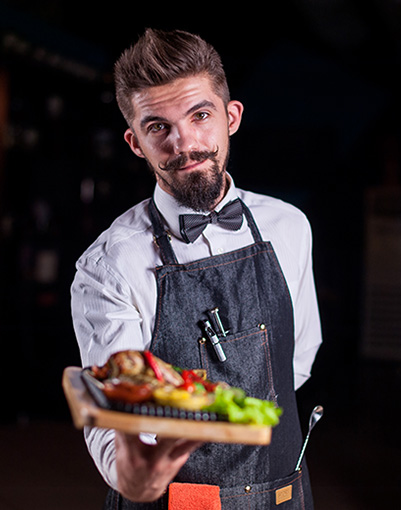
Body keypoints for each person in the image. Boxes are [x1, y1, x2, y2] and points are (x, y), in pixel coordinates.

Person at [71, 28, 322, 509]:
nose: (183, 143)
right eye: (158, 127)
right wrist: (134, 476)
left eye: (200, 115)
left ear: (231, 117)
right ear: (136, 143)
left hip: (284, 495)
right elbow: (113, 417)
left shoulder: (289, 226)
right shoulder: (111, 264)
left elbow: (298, 359)